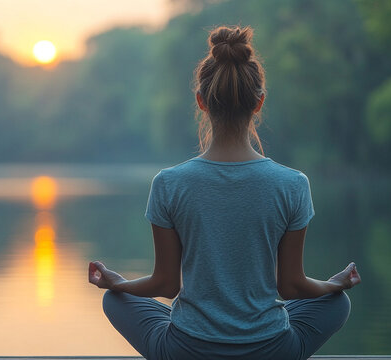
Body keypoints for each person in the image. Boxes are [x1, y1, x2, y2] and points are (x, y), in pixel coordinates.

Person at [88, 25, 362, 360]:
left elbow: (166, 284)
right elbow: (291, 286)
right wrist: (335, 285)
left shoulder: (169, 183)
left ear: (201, 101)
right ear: (259, 103)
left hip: (186, 350)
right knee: (338, 303)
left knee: (114, 299)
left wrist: (118, 283)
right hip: (270, 350)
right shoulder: (293, 184)